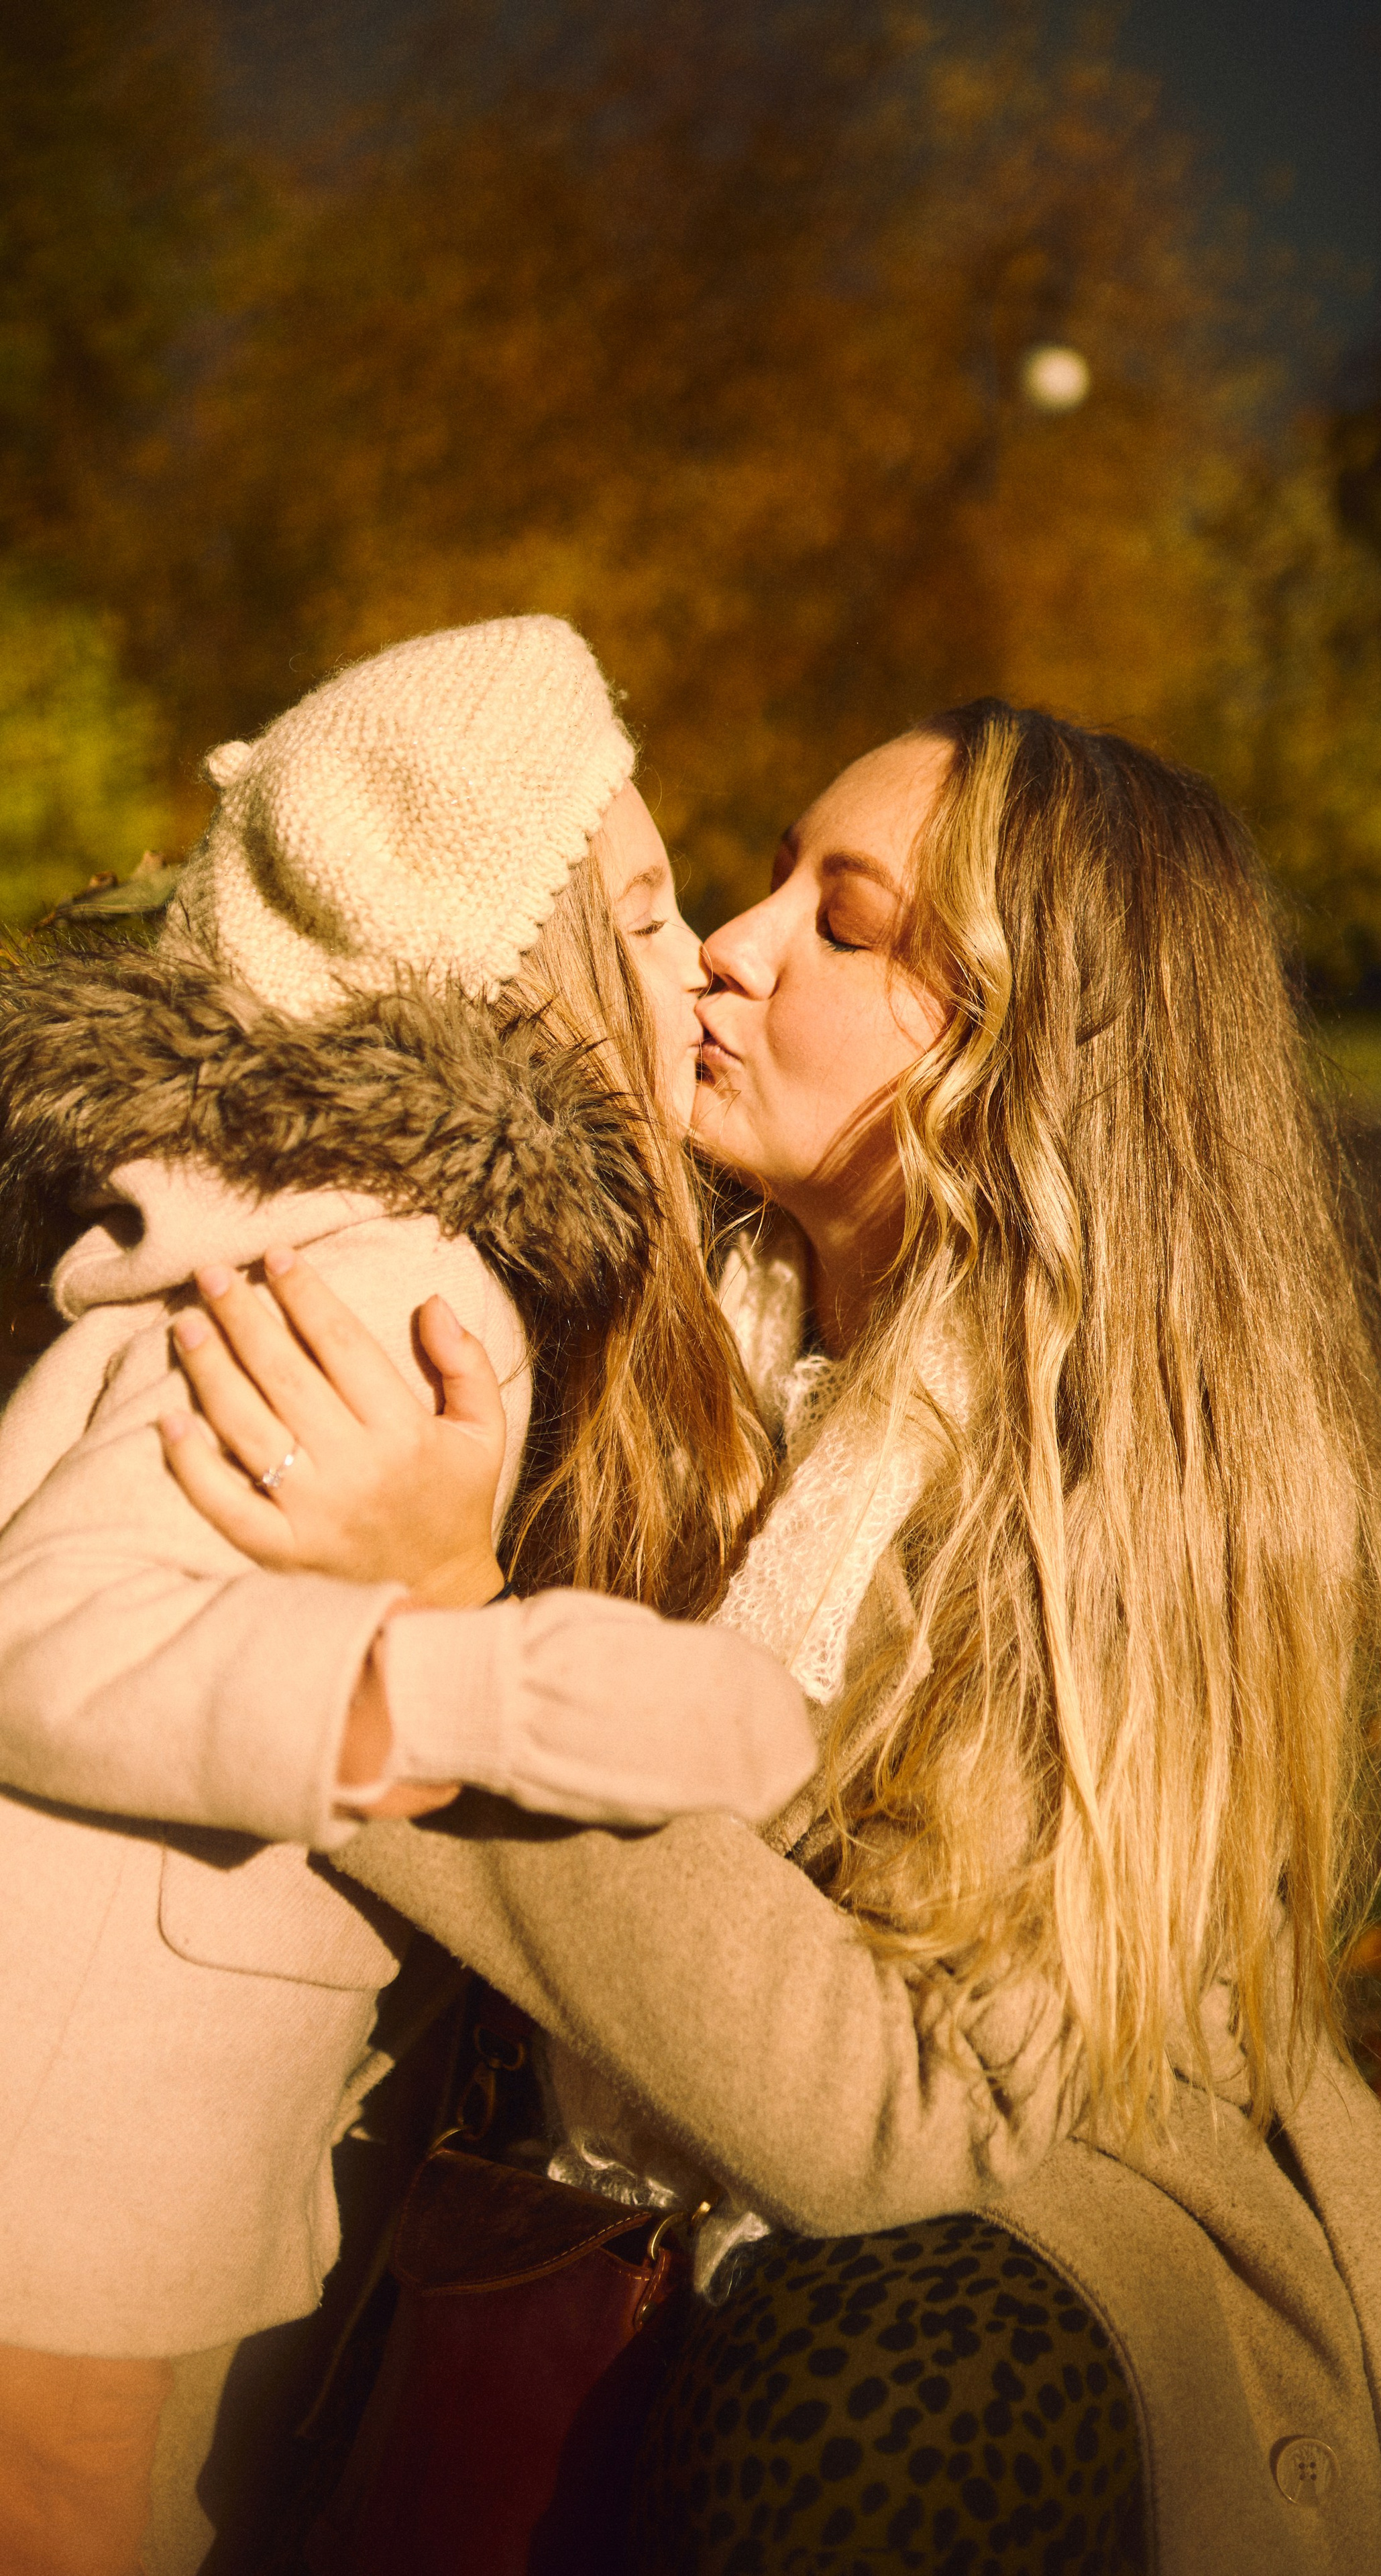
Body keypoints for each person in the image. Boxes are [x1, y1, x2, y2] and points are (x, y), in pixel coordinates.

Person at [168, 702, 1381, 2573]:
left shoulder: (1125, 1490)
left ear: (1020, 1044)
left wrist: (439, 1646)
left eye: (847, 922)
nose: (732, 938)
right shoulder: (653, 1308)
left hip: (1012, 2252)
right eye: (773, 872)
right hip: (580, 2200)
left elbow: (906, 2111)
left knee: (855, 2426)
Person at [0, 617, 816, 2576]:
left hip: (135, 2090)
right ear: (510, 975)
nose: (697, 944)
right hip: (68, 2113)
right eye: (637, 905)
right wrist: (436, 1689)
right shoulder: (375, 1278)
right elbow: (43, 1631)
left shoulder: (385, 1236)